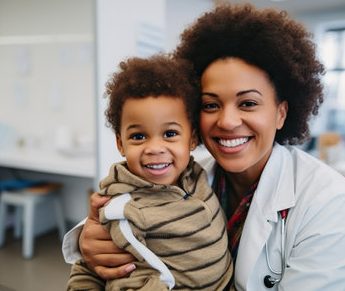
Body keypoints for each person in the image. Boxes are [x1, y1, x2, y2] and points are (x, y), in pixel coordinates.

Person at [63, 3, 345, 290]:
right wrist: (89, 236)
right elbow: (142, 200)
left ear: (281, 113)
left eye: (248, 103)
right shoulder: (192, 173)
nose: (228, 121)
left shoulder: (325, 196)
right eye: (210, 105)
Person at [66, 55, 233, 290]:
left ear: (192, 138)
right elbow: (89, 266)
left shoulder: (195, 175)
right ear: (121, 143)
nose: (155, 148)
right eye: (138, 136)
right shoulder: (124, 206)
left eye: (170, 133)